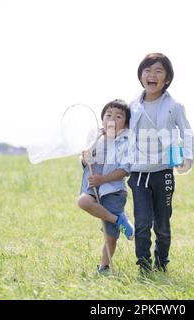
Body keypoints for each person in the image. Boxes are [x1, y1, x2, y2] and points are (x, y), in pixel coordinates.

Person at [127, 53, 194, 274]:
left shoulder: (174, 106)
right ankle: (144, 266)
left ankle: (161, 262)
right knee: (142, 222)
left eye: (158, 71)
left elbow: (186, 132)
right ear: (140, 76)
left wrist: (188, 157)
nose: (152, 75)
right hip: (138, 173)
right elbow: (121, 132)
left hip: (163, 171)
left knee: (163, 224)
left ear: (167, 79)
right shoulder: (132, 106)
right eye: (147, 70)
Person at [77, 99, 134, 275]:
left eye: (118, 116)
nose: (112, 119)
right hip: (92, 186)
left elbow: (125, 170)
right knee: (83, 202)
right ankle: (119, 220)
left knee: (110, 236)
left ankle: (104, 267)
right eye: (108, 115)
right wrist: (84, 159)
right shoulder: (95, 137)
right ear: (102, 119)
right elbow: (85, 160)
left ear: (125, 122)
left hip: (113, 190)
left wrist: (103, 180)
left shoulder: (126, 140)